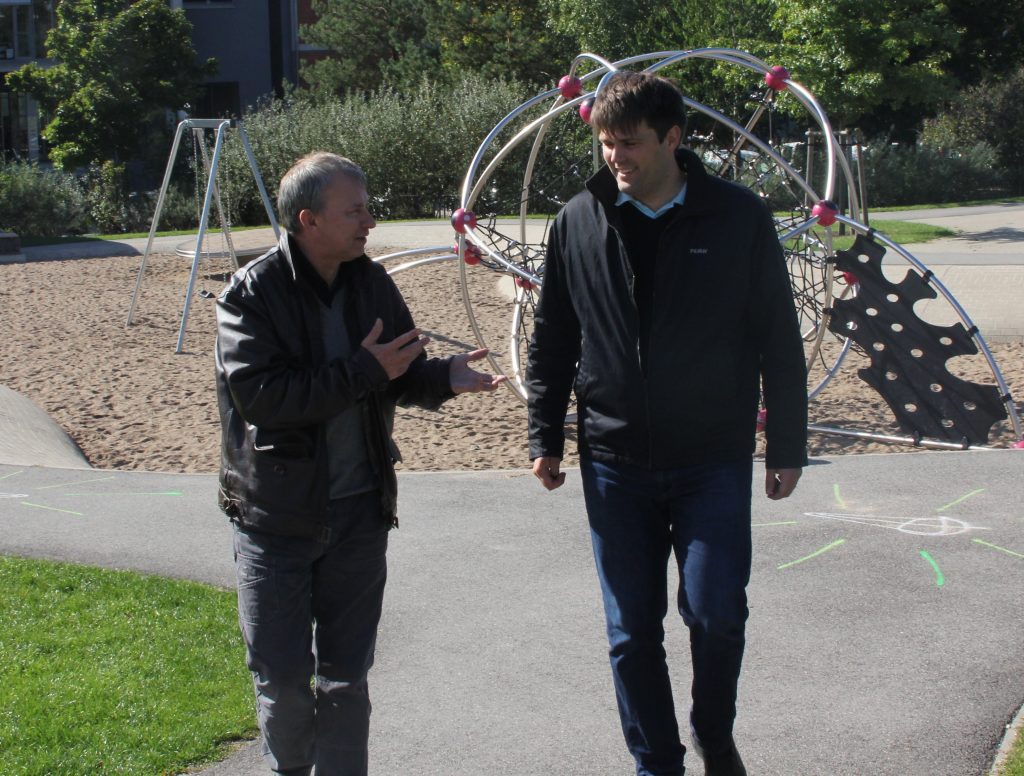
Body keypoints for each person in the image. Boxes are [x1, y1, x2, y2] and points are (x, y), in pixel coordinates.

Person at [526, 71, 808, 776]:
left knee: (717, 613)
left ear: (673, 139)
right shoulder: (577, 220)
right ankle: (657, 763)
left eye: (630, 143)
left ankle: (713, 730)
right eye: (606, 143)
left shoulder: (738, 217)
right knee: (630, 632)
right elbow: (553, 339)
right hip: (614, 460)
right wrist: (544, 436)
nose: (615, 157)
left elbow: (778, 337)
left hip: (712, 456)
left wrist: (787, 446)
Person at [215, 151, 504, 775]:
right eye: (356, 211)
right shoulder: (252, 293)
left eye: (368, 209)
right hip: (276, 520)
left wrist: (443, 378)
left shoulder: (371, 283)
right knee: (282, 678)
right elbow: (265, 399)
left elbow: (396, 372)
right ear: (308, 219)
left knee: (347, 679)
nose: (369, 221)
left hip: (359, 514)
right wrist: (363, 370)